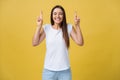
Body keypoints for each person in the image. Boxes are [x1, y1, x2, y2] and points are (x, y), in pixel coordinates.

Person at [32, 5, 84, 80]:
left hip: (65, 71)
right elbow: (35, 43)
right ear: (52, 15)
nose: (57, 16)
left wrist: (77, 25)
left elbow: (80, 42)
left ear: (63, 16)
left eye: (60, 14)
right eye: (55, 13)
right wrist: (38, 26)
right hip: (49, 71)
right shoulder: (47, 28)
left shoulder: (68, 27)